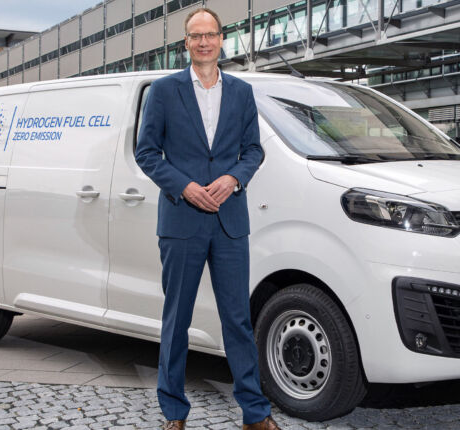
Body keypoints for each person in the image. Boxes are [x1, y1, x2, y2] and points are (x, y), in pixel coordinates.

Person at [134, 7, 281, 430]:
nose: (203, 42)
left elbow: (253, 150)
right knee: (176, 318)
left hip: (229, 222)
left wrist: (234, 178)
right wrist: (185, 186)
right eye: (195, 36)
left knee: (237, 319)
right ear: (187, 43)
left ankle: (255, 414)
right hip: (181, 220)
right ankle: (174, 413)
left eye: (210, 34)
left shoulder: (241, 92)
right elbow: (146, 153)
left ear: (221, 40)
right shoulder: (163, 92)